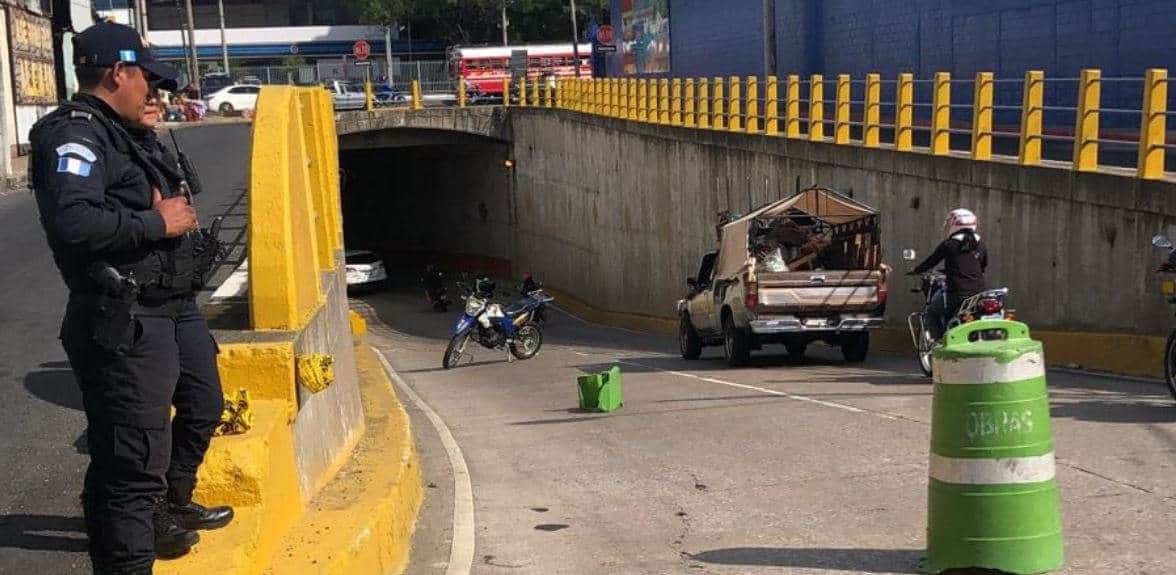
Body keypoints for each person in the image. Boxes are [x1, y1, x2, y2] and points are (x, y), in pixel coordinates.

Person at [30, 21, 231, 574]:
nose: (156, 92)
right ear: (117, 72)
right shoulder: (74, 135)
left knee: (205, 404)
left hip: (171, 304)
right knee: (132, 465)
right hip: (125, 316)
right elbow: (72, 220)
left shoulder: (123, 130)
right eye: (147, 79)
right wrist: (153, 222)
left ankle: (169, 506)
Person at [910, 208, 988, 339]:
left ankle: (938, 344)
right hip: (979, 292)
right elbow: (982, 266)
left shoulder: (949, 244)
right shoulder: (981, 244)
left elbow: (931, 261)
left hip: (957, 292)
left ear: (954, 225)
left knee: (931, 313)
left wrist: (916, 270)